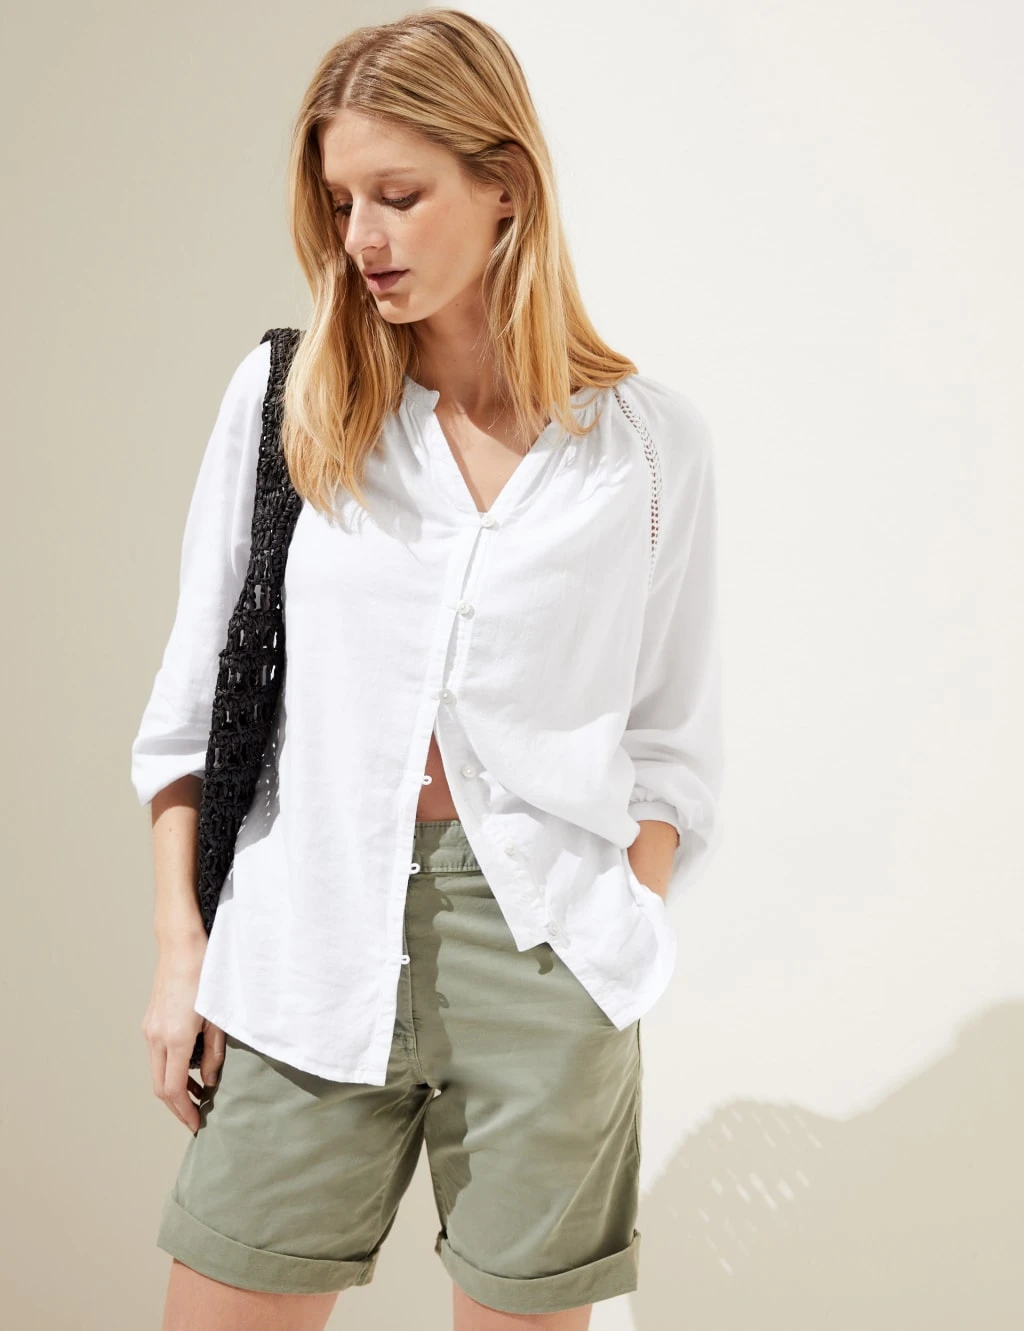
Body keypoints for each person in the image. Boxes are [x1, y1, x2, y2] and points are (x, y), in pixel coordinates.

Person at [131, 9, 724, 1330]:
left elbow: (671, 744)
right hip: (306, 940)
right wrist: (183, 957)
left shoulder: (645, 448)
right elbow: (185, 720)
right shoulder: (289, 401)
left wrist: (619, 930)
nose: (361, 238)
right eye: (341, 202)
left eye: (398, 196)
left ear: (503, 183)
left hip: (547, 957)